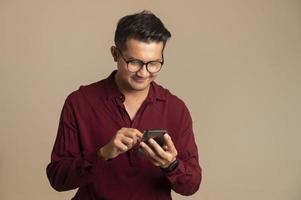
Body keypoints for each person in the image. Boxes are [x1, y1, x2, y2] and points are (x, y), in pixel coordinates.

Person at [46, 10, 202, 200]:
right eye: (134, 62)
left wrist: (171, 165)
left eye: (154, 63)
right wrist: (102, 154)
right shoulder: (79, 102)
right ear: (114, 54)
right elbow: (57, 179)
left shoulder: (176, 109)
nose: (143, 73)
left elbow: (192, 186)